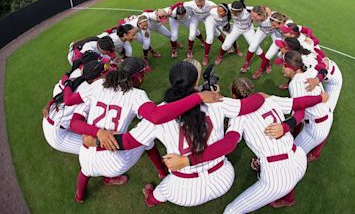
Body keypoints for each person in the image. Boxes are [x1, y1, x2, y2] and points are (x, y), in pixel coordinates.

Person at [84, 61, 268, 207]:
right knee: (235, 123)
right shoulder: (215, 100)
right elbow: (248, 106)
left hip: (184, 190)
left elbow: (129, 141)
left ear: (173, 83)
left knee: (158, 193)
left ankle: (150, 200)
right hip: (224, 178)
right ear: (196, 82)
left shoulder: (159, 113)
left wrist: (98, 141)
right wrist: (260, 95)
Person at [67, 57, 221, 202]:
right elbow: (155, 116)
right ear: (139, 77)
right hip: (114, 162)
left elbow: (73, 122)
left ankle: (79, 196)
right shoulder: (137, 95)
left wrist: (98, 132)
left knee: (85, 170)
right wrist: (198, 97)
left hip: (86, 154)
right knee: (147, 139)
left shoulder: (98, 84)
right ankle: (162, 171)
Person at [162, 77, 328, 211]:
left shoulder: (238, 117)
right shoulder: (270, 100)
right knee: (281, 172)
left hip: (277, 176)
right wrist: (288, 124)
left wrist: (188, 160)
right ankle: (288, 199)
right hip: (299, 158)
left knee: (231, 212)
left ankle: (285, 194)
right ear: (252, 90)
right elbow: (300, 107)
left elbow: (229, 144)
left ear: (234, 97)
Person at [42, 59, 107, 155]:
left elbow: (62, 91)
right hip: (57, 133)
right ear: (98, 77)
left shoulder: (79, 80)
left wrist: (50, 103)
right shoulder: (89, 88)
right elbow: (67, 100)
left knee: (95, 144)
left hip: (53, 119)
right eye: (104, 71)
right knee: (92, 152)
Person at [282, 51, 333, 160]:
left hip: (315, 129)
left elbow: (300, 113)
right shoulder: (309, 71)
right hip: (326, 116)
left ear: (290, 68)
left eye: (283, 65)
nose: (282, 68)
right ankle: (315, 153)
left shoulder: (294, 84)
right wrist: (317, 79)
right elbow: (324, 68)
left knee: (292, 157)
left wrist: (283, 127)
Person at [214, 0, 269, 74]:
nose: (233, 13)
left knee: (255, 47)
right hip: (236, 28)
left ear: (241, 9)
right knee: (226, 45)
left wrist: (269, 12)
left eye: (236, 12)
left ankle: (266, 64)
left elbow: (264, 8)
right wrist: (213, 6)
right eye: (232, 11)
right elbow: (223, 5)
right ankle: (220, 56)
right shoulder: (230, 7)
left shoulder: (249, 10)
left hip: (248, 30)